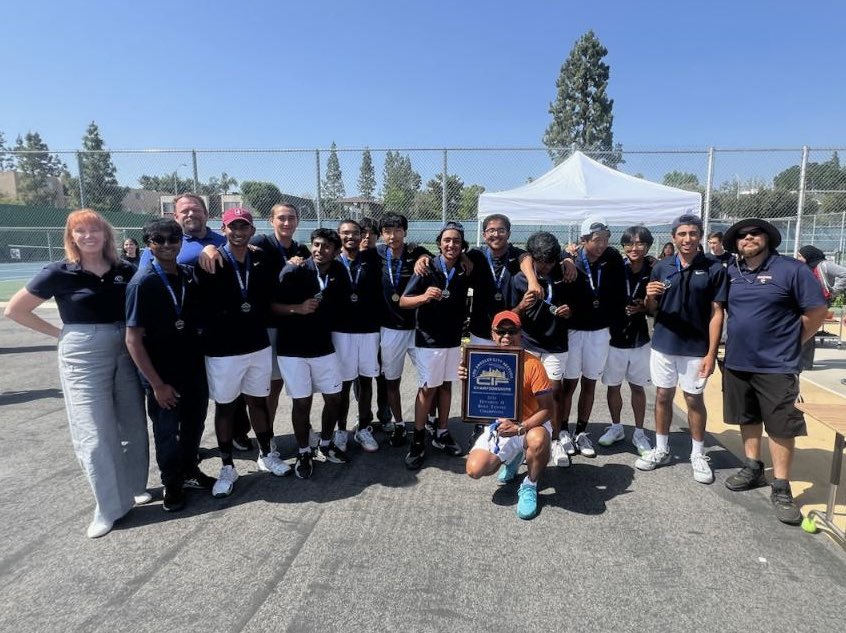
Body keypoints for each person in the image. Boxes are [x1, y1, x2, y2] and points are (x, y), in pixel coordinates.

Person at [4, 209, 150, 538]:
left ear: (106, 235)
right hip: (82, 351)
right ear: (71, 237)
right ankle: (108, 506)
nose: (88, 236)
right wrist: (61, 335)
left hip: (125, 347)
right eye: (80, 231)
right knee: (94, 432)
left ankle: (133, 489)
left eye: (94, 230)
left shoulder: (124, 269)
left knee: (133, 424)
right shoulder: (58, 271)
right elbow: (15, 309)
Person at [721, 220, 827, 524]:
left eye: (755, 233)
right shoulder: (733, 272)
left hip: (777, 365)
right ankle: (753, 467)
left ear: (768, 238)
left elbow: (817, 312)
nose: (748, 237)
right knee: (748, 417)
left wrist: (792, 343)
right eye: (741, 235)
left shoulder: (792, 270)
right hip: (738, 362)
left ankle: (781, 485)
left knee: (781, 425)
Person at [194, 208, 291, 497]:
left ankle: (266, 453)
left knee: (258, 402)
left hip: (257, 345)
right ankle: (227, 466)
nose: (238, 231)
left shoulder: (261, 258)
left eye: (244, 226)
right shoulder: (210, 260)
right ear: (223, 230)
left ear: (251, 230)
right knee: (225, 407)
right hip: (223, 350)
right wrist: (209, 247)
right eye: (232, 226)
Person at [125, 218, 214, 512]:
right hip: (162, 374)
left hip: (192, 368)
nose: (166, 245)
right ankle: (171, 483)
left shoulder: (188, 275)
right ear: (149, 244)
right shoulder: (143, 282)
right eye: (158, 240)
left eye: (172, 238)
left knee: (194, 424)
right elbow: (133, 340)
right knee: (166, 431)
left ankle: (189, 470)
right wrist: (156, 384)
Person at [636, 214, 726, 483]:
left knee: (693, 400)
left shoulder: (713, 268)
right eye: (682, 234)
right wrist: (650, 297)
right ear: (673, 238)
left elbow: (717, 313)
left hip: (696, 348)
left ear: (700, 236)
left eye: (693, 234)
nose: (687, 239)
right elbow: (652, 310)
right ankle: (661, 449)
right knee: (663, 396)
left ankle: (698, 454)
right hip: (663, 344)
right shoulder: (662, 267)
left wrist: (711, 353)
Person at [272, 228, 348, 479]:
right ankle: (304, 451)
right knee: (302, 402)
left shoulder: (338, 272)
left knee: (334, 398)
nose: (319, 250)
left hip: (323, 348)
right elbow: (272, 306)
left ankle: (325, 444)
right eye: (316, 244)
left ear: (336, 252)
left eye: (326, 246)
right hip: (292, 350)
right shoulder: (294, 270)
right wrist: (298, 309)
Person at [465, 311, 553, 520]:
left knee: (537, 439)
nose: (506, 336)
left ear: (520, 333)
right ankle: (514, 457)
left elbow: (548, 409)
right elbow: (476, 400)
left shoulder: (533, 364)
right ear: (492, 334)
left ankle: (530, 484)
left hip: (530, 425)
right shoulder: (481, 360)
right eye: (501, 331)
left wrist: (520, 428)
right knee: (474, 470)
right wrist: (466, 377)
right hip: (501, 426)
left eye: (512, 331)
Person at [400, 221, 470, 469]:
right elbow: (404, 302)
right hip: (428, 339)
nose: (451, 244)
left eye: (457, 241)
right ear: (439, 243)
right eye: (447, 240)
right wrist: (424, 296)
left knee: (446, 387)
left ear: (462, 246)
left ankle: (441, 432)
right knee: (428, 388)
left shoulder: (463, 269)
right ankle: (418, 439)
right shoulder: (426, 266)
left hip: (452, 339)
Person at [559, 216, 626, 460]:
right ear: (584, 239)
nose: (602, 244)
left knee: (590, 383)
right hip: (574, 331)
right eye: (597, 240)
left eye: (606, 239)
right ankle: (563, 431)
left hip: (600, 332)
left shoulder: (614, 258)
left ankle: (581, 432)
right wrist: (565, 257)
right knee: (570, 384)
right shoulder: (571, 261)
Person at [511, 231, 573, 468]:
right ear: (532, 259)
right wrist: (521, 305)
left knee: (554, 392)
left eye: (550, 261)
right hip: (529, 343)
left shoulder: (565, 273)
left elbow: (577, 307)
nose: (546, 266)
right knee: (526, 393)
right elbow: (510, 314)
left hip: (556, 345)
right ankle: (523, 439)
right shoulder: (519, 278)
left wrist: (569, 312)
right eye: (541, 261)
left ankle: (555, 439)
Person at [598, 226, 654, 456]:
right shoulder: (614, 267)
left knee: (638, 387)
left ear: (648, 246)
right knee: (613, 385)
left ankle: (639, 432)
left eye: (640, 243)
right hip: (614, 337)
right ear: (623, 247)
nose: (634, 248)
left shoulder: (654, 268)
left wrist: (644, 305)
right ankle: (616, 426)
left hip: (640, 338)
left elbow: (655, 307)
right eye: (629, 244)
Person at [376, 213, 430, 447]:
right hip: (390, 329)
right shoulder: (376, 253)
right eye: (387, 230)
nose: (392, 235)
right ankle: (398, 424)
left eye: (397, 230)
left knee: (429, 380)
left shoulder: (417, 254)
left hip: (417, 329)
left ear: (405, 232)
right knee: (391, 380)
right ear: (381, 234)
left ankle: (429, 421)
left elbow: (433, 258)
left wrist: (425, 255)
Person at [331, 219, 382, 453]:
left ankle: (363, 427)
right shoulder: (331, 261)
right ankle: (341, 430)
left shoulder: (372, 258)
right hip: (341, 331)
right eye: (345, 233)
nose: (350, 237)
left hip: (368, 330)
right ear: (338, 235)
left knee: (366, 381)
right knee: (343, 383)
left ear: (362, 235)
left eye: (355, 233)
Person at [796, 245, 846, 371]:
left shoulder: (825, 265)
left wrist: (834, 291)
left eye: (800, 256)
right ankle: (802, 361)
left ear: (808, 255)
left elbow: (844, 273)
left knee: (807, 327)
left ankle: (805, 363)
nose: (798, 258)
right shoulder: (806, 267)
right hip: (806, 299)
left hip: (820, 300)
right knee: (803, 328)